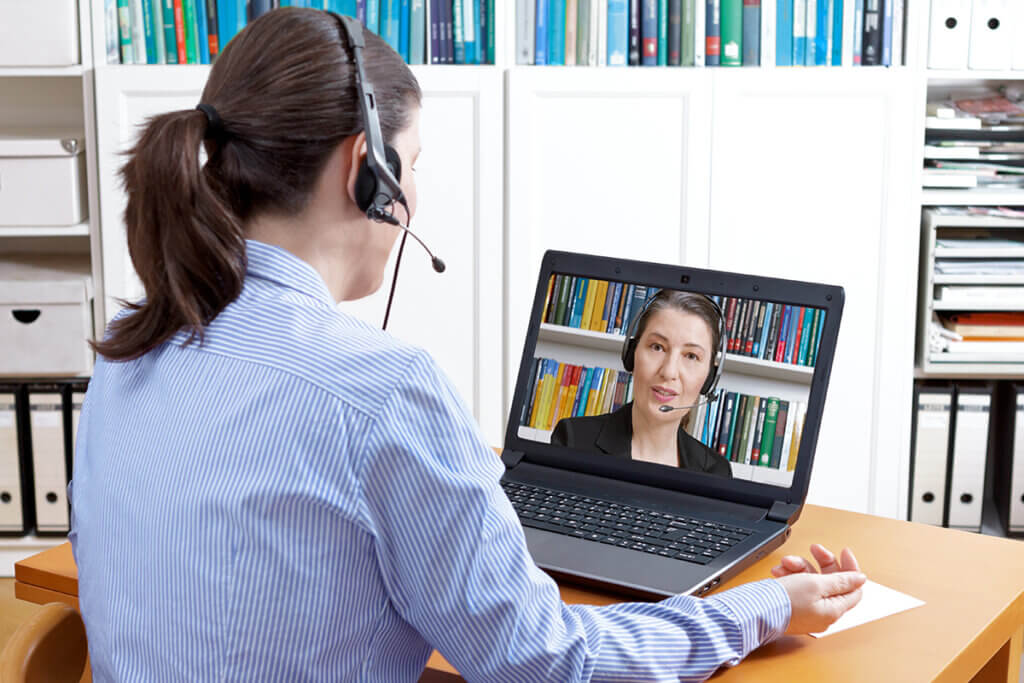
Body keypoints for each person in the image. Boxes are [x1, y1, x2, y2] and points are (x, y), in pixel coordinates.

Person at [68, 7, 866, 682]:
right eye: (410, 165)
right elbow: (550, 660)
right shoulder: (383, 392)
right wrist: (756, 607)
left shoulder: (126, 346)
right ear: (365, 172)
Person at [552, 289, 733, 477]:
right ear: (632, 354)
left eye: (691, 356)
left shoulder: (716, 471)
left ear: (709, 378)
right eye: (657, 347)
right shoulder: (574, 440)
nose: (669, 372)